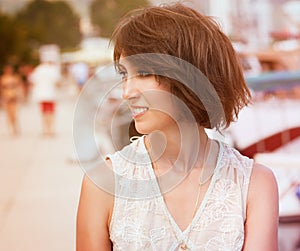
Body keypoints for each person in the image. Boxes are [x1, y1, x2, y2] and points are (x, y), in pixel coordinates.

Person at [76, 3, 279, 251]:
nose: (127, 92)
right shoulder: (104, 183)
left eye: (142, 73)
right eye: (124, 75)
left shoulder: (254, 184)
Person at [29, 61, 61, 137]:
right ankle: (51, 130)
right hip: (51, 95)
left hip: (41, 95)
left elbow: (33, 82)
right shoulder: (53, 70)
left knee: (44, 113)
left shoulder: (38, 69)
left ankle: (45, 130)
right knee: (51, 113)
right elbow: (57, 83)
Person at [0, 64, 23, 136]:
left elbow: (19, 87)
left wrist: (20, 95)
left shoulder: (15, 77)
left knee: (14, 113)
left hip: (14, 96)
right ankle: (11, 128)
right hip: (6, 97)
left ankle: (15, 128)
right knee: (8, 114)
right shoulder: (3, 78)